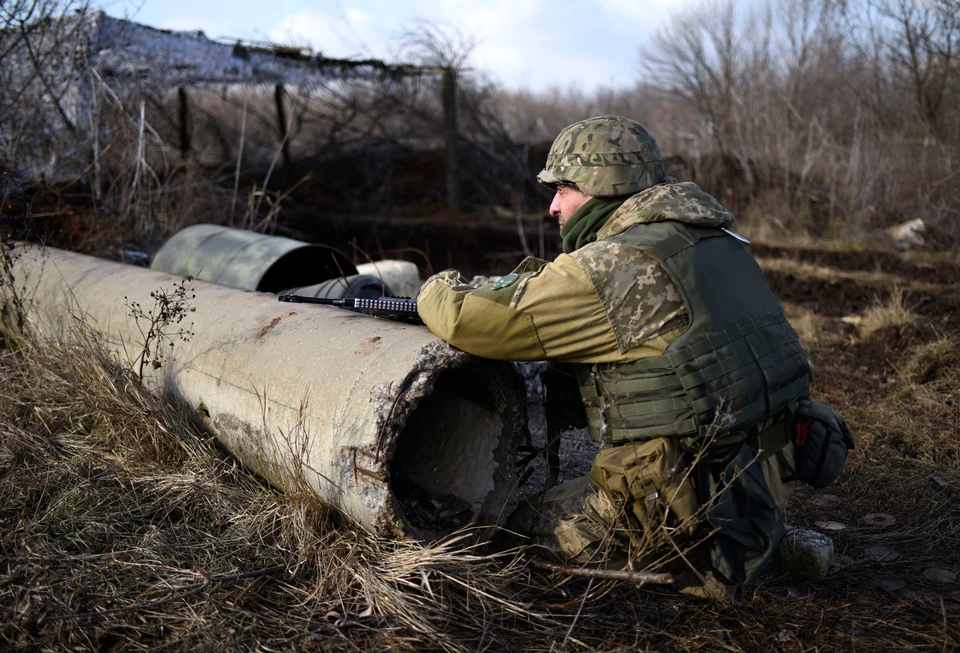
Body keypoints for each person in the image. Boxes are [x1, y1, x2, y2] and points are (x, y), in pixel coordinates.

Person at [416, 115, 813, 598]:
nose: (552, 206)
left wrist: (435, 285)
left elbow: (468, 319)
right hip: (765, 467)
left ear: (600, 186)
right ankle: (761, 537)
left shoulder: (617, 265)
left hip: (688, 494)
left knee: (509, 529)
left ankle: (712, 556)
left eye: (562, 188)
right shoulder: (716, 240)